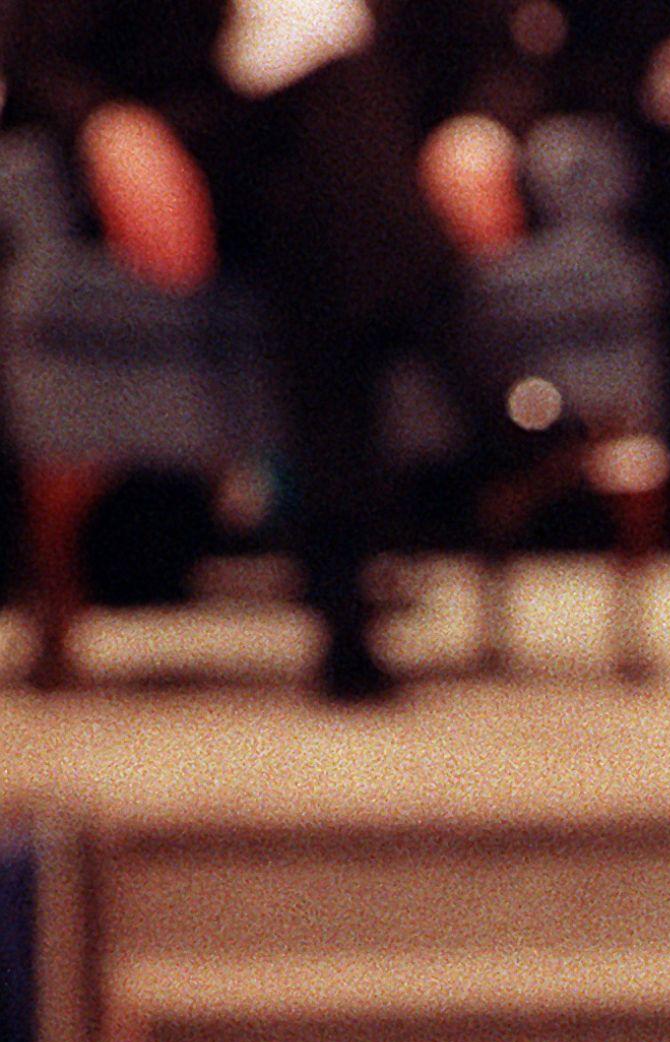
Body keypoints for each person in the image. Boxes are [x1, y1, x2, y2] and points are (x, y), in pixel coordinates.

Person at [1, 0, 527, 699]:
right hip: (198, 160)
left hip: (357, 174)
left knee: (325, 212)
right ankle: (498, 413)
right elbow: (34, 53)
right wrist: (107, 125)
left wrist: (479, 133)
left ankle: (346, 620)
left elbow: (505, 48)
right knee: (339, 145)